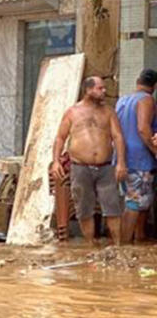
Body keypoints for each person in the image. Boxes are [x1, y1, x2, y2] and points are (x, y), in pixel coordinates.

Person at [51, 76, 128, 246]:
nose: (104, 91)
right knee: (84, 209)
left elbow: (118, 137)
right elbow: (60, 138)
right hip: (80, 167)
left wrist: (121, 162)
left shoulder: (108, 112)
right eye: (100, 88)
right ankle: (90, 245)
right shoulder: (72, 112)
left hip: (106, 167)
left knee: (112, 207)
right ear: (88, 90)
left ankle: (117, 245)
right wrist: (56, 161)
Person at [116, 69, 157, 244]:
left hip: (124, 157)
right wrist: (155, 151)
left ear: (137, 81)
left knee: (137, 200)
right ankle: (124, 245)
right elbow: (143, 128)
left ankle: (138, 237)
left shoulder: (123, 100)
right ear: (154, 86)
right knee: (134, 202)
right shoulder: (147, 100)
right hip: (140, 159)